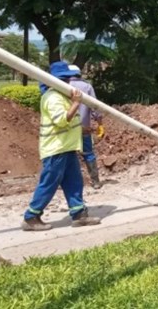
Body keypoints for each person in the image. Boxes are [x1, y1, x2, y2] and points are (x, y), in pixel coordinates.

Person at [22, 61, 101, 231]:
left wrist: (83, 128)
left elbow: (70, 122)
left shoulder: (63, 96)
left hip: (67, 147)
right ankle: (31, 216)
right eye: (64, 80)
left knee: (74, 181)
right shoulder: (52, 97)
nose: (67, 83)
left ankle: (79, 214)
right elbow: (61, 120)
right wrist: (76, 103)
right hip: (56, 149)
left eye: (67, 79)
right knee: (49, 182)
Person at [68, 64, 104, 189]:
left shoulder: (63, 86)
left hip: (66, 128)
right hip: (84, 128)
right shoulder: (87, 87)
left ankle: (66, 183)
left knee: (67, 155)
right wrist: (100, 124)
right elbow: (95, 107)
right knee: (88, 153)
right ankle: (95, 181)